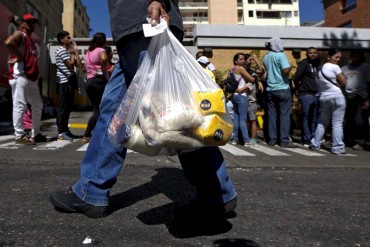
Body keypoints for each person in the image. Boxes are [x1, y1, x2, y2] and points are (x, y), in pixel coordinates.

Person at [50, 0, 237, 221]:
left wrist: (157, 1)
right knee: (120, 105)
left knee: (172, 113)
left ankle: (215, 192)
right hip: (138, 25)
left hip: (145, 20)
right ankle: (216, 192)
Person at [4, 13, 44, 145]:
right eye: (29, 22)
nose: (32, 24)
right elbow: (8, 42)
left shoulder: (31, 40)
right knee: (19, 105)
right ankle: (19, 135)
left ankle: (36, 133)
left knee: (38, 105)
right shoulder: (20, 34)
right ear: (23, 23)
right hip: (21, 75)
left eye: (33, 22)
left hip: (31, 78)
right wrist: (19, 57)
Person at [310, 49, 347, 155]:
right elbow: (343, 82)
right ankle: (338, 147)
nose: (338, 59)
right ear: (329, 57)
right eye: (336, 57)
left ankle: (315, 143)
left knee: (322, 122)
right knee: (337, 124)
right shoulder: (335, 67)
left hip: (324, 97)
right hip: (336, 97)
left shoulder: (319, 70)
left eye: (339, 57)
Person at [262, 37, 297, 148]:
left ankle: (272, 140)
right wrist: (291, 66)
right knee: (284, 115)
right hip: (282, 88)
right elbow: (286, 71)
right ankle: (284, 140)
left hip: (270, 89)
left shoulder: (266, 57)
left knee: (272, 115)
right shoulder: (281, 55)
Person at [55, 31, 83, 141]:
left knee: (67, 108)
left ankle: (65, 130)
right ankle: (61, 133)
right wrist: (72, 53)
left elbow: (79, 64)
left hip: (70, 82)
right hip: (64, 82)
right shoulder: (61, 51)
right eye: (68, 38)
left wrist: (75, 51)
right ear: (62, 40)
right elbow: (71, 66)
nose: (70, 39)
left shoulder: (67, 52)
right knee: (63, 108)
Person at [82, 32, 109, 144]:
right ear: (103, 41)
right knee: (101, 109)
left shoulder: (88, 53)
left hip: (89, 82)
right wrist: (103, 68)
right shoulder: (100, 50)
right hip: (99, 81)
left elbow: (84, 69)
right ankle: (87, 134)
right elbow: (103, 59)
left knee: (96, 109)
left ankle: (95, 133)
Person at [341, 50, 370, 151]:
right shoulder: (344, 69)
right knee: (347, 120)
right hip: (347, 96)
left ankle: (361, 141)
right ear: (351, 57)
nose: (355, 58)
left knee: (360, 120)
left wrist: (368, 100)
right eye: (354, 56)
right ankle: (348, 139)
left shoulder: (366, 68)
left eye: (358, 57)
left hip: (360, 96)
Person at [293, 47, 321, 147]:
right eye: (310, 53)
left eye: (315, 53)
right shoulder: (304, 64)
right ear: (307, 54)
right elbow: (296, 77)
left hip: (316, 94)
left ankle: (312, 137)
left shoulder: (317, 64)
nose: (313, 54)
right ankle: (306, 139)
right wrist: (298, 88)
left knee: (314, 117)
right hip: (306, 93)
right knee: (307, 116)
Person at [230, 53, 256, 146]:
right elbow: (252, 80)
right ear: (236, 60)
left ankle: (235, 139)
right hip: (242, 95)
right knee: (243, 118)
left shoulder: (232, 69)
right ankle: (246, 140)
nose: (243, 61)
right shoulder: (241, 68)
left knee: (236, 118)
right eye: (241, 59)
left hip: (234, 96)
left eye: (243, 59)